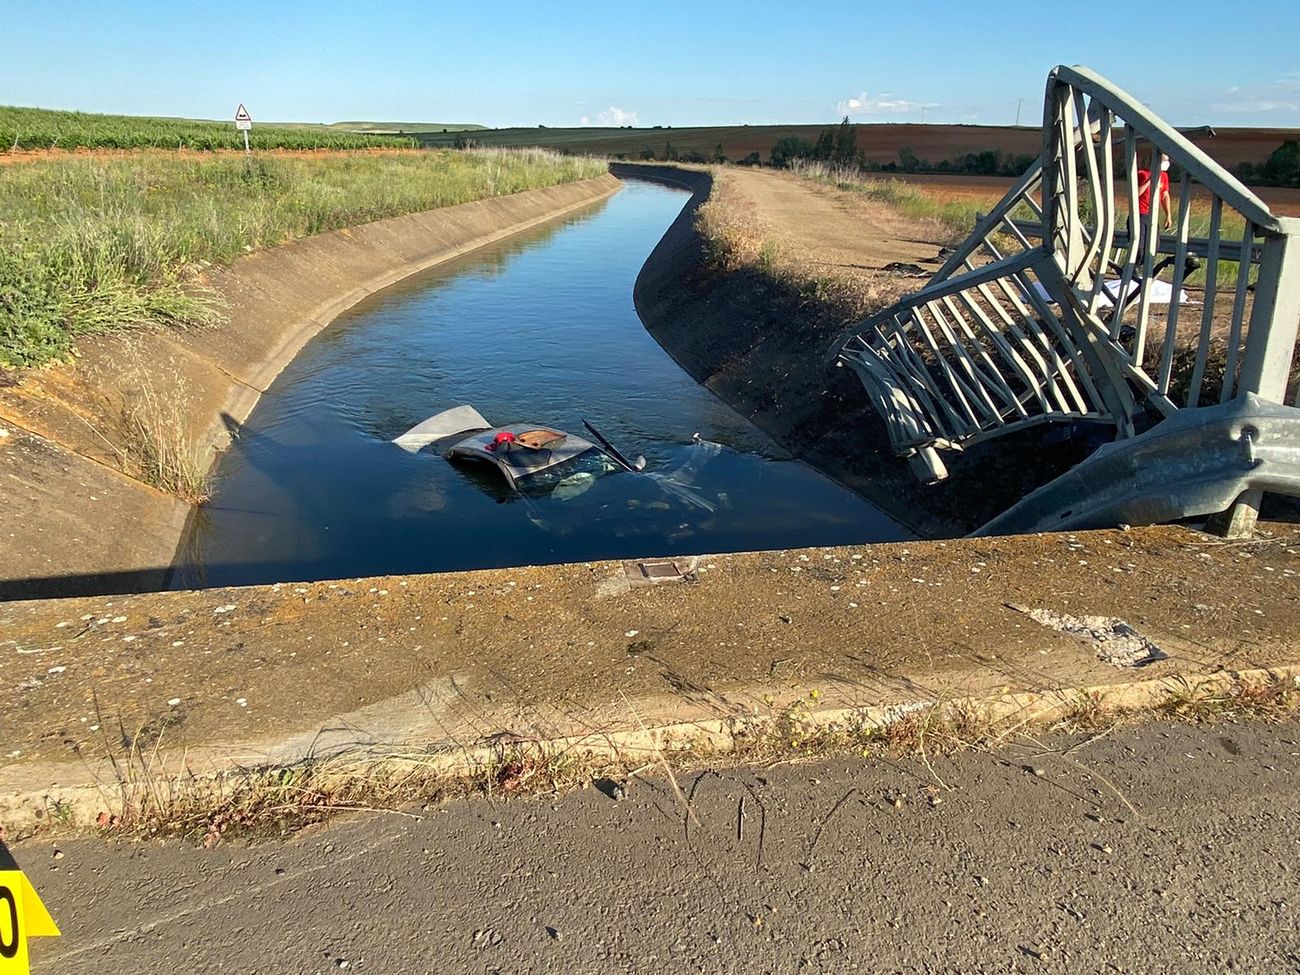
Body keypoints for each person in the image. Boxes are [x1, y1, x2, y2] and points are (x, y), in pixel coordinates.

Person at [1134, 153, 1173, 264]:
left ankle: (1145, 269)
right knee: (1139, 247)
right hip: (1140, 214)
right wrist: (1151, 179)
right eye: (1164, 160)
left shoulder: (1164, 176)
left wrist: (1168, 215)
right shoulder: (1142, 174)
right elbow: (1136, 193)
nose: (1167, 163)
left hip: (1152, 215)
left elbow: (1165, 195)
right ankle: (1133, 268)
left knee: (1153, 246)